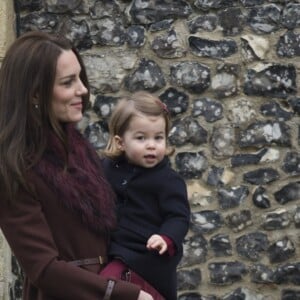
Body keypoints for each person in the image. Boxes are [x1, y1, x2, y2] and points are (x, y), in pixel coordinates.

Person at [0, 31, 154, 300]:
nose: (82, 89)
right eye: (68, 82)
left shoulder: (79, 150)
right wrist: (125, 295)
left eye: (80, 77)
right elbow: (43, 269)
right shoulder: (12, 168)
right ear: (35, 94)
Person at [100, 91, 191, 299]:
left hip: (147, 259)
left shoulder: (168, 180)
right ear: (120, 142)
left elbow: (178, 216)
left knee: (106, 286)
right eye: (141, 138)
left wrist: (165, 237)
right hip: (115, 251)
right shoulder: (107, 169)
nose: (152, 144)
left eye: (158, 137)